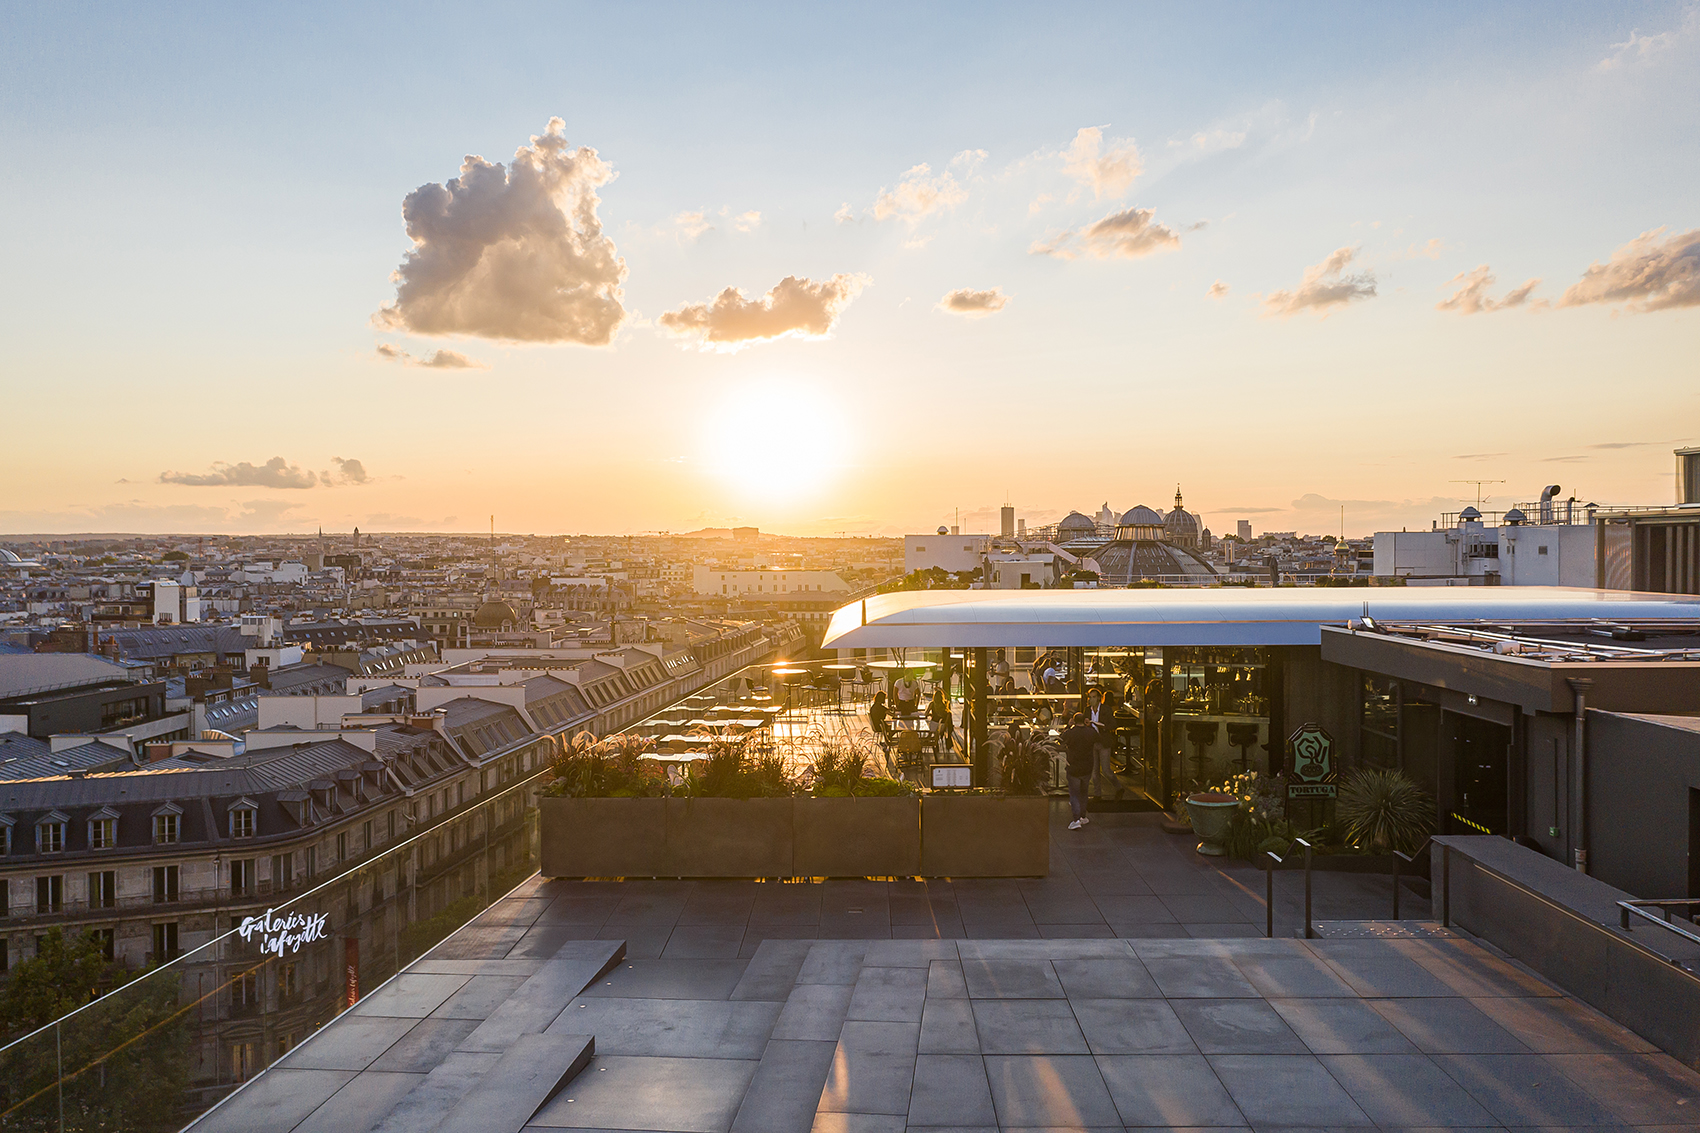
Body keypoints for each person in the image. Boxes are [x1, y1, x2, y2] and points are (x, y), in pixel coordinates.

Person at [1061, 712, 1096, 829]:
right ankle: (1082, 816)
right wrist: (1089, 726)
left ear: (1074, 721)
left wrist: (1068, 726)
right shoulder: (1090, 732)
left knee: (1074, 794)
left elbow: (1060, 739)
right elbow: (1098, 738)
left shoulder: (1070, 733)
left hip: (1073, 766)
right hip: (1087, 767)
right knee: (1084, 792)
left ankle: (1076, 819)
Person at [1083, 686, 1118, 799]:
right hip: (1092, 743)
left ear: (1098, 698)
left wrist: (1103, 726)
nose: (1091, 700)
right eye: (1090, 697)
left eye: (1093, 697)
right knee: (1094, 771)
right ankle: (1097, 794)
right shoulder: (1087, 710)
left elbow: (1113, 725)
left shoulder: (1106, 710)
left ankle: (1118, 787)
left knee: (1106, 770)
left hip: (1103, 742)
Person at [927, 688, 955, 754]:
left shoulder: (932, 704)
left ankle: (933, 742)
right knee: (937, 731)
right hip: (943, 727)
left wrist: (931, 714)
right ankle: (935, 741)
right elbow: (948, 697)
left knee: (931, 729)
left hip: (933, 726)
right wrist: (941, 690)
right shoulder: (944, 704)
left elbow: (926, 713)